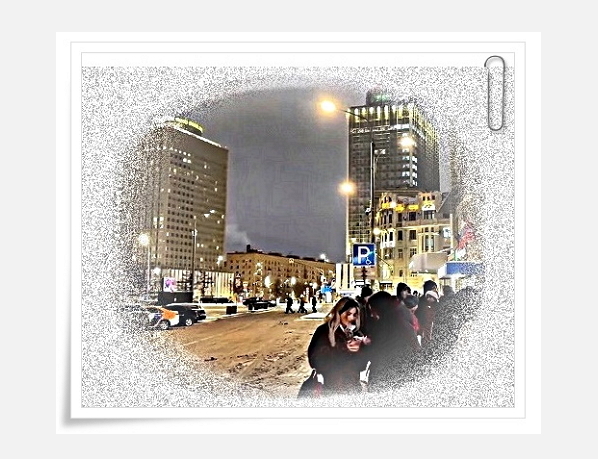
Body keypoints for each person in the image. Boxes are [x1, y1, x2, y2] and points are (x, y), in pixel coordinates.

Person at [307, 296, 370, 396]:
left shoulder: (357, 333)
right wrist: (343, 349)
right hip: (330, 388)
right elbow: (315, 361)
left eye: (354, 315)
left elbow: (362, 366)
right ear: (339, 313)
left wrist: (362, 348)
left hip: (353, 389)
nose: (351, 318)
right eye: (348, 314)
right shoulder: (323, 331)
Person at [364, 291, 420, 392]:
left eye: (373, 310)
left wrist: (366, 344)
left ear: (380, 308)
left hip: (388, 372)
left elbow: (379, 348)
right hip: (398, 371)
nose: (372, 314)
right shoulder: (398, 315)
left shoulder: (391, 320)